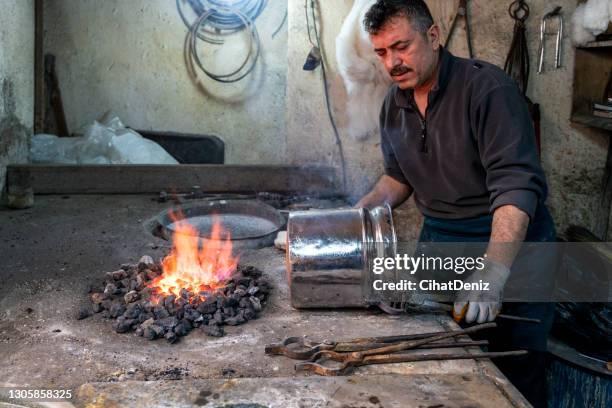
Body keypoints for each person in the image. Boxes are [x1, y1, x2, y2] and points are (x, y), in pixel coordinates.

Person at [354, 1, 555, 406]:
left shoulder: (489, 90)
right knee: (440, 364)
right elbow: (398, 178)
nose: (392, 62)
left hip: (509, 248)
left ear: (433, 36)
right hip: (442, 244)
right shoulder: (394, 105)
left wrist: (494, 273)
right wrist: (343, 224)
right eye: (382, 52)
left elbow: (515, 188)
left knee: (516, 370)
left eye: (401, 46)